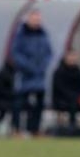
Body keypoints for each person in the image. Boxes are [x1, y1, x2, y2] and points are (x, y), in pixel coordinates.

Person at [10, 8, 52, 136]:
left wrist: (43, 66)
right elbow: (16, 53)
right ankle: (17, 129)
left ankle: (35, 129)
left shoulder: (43, 34)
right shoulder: (21, 34)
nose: (36, 21)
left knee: (39, 104)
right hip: (24, 75)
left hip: (39, 76)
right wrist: (28, 66)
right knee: (19, 103)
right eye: (34, 18)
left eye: (38, 19)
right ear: (28, 19)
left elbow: (49, 53)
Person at [52, 49, 80, 138]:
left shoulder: (79, 71)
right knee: (73, 105)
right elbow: (62, 90)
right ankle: (72, 132)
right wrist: (78, 98)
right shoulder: (59, 72)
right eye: (70, 56)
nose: (72, 58)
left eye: (74, 56)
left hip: (77, 100)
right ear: (65, 57)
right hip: (62, 101)